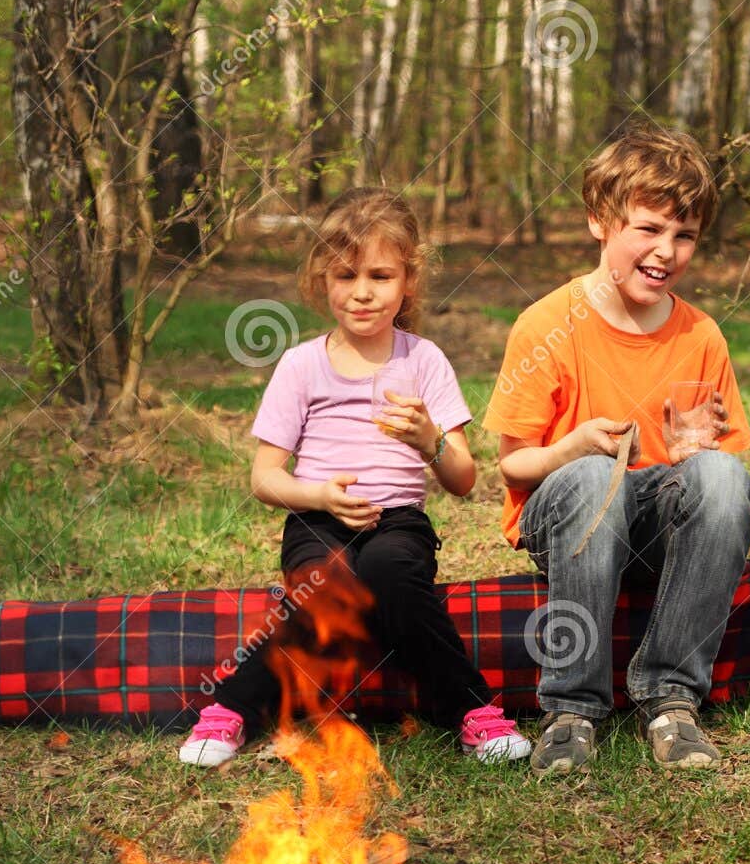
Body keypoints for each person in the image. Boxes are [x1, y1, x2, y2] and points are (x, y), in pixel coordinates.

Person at [180, 187, 530, 766]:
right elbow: (265, 477)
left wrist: (428, 440)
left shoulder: (423, 361)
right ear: (322, 280)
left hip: (399, 522)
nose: (362, 291)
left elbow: (464, 478)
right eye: (346, 275)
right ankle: (231, 709)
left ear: (408, 282)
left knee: (389, 573)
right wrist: (317, 494)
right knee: (325, 585)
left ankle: (473, 710)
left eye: (380, 275)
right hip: (317, 518)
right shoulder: (302, 364)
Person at [482, 124, 750, 776]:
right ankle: (571, 707)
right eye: (648, 228)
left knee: (721, 476)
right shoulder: (547, 325)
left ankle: (669, 697)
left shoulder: (701, 337)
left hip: (654, 527)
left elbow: (716, 482)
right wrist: (572, 446)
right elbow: (512, 463)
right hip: (570, 516)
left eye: (683, 235)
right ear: (600, 221)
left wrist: (694, 456)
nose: (665, 251)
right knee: (587, 476)